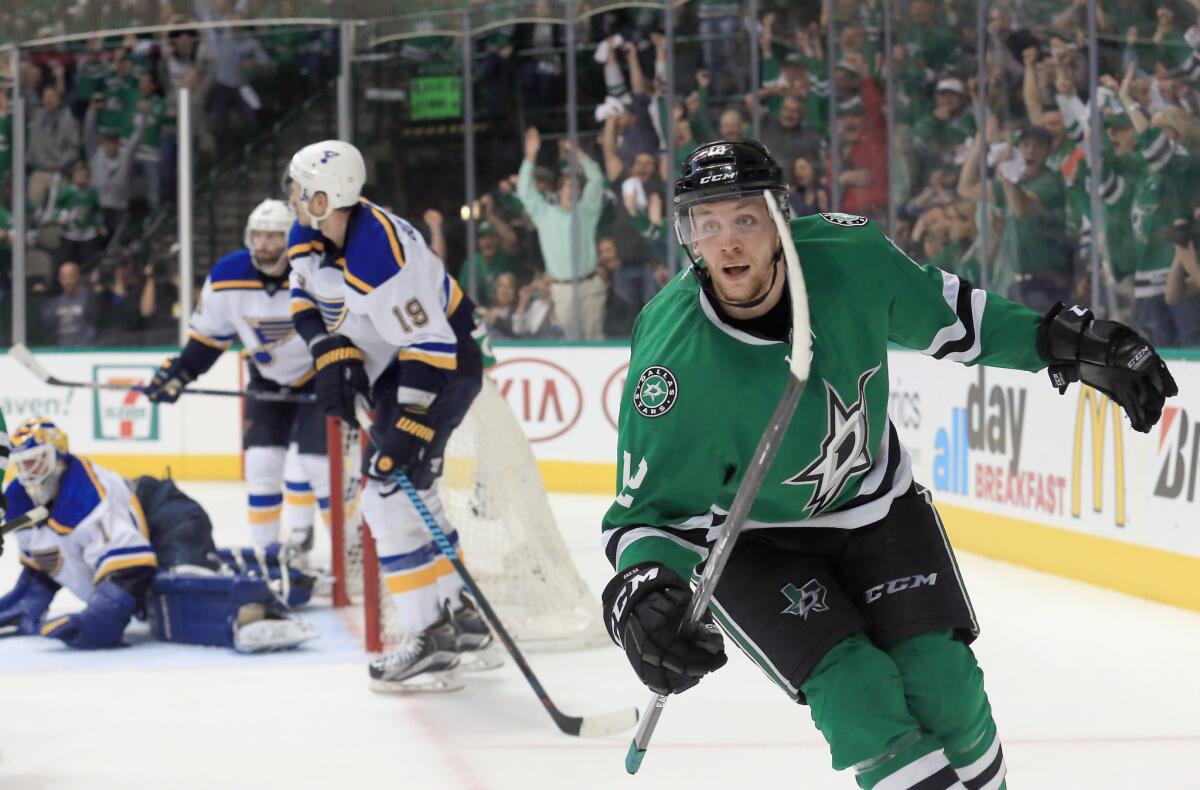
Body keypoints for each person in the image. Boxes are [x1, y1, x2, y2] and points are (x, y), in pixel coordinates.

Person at [600, 140, 1177, 790]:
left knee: (946, 687)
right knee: (858, 695)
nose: (728, 242)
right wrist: (641, 592)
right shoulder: (671, 361)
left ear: (780, 221)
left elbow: (957, 321)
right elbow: (644, 517)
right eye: (708, 224)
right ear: (688, 236)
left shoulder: (851, 258)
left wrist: (1063, 343)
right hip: (751, 542)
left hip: (875, 506)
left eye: (745, 220)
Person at [284, 140, 498, 691]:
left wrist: (408, 424)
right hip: (396, 365)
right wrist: (327, 350)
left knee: (383, 491)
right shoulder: (307, 231)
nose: (291, 195)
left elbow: (431, 347)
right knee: (415, 493)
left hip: (442, 364)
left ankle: (430, 637)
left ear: (324, 197)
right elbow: (303, 300)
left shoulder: (380, 253)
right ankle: (462, 617)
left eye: (300, 188)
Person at [0, 418, 316, 652]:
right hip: (141, 525)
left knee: (172, 595)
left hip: (167, 516)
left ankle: (255, 615)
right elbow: (42, 571)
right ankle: (275, 569)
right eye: (22, 463)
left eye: (36, 459)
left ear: (58, 455)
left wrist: (96, 622)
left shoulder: (87, 496)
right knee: (160, 593)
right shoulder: (21, 499)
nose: (28, 471)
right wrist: (21, 605)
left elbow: (129, 572)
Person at [143, 199, 329, 558]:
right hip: (268, 380)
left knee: (319, 466)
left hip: (320, 378)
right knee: (260, 465)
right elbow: (209, 338)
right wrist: (181, 372)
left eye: (273, 237)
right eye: (258, 236)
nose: (263, 244)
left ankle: (350, 552)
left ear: (291, 239)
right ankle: (266, 556)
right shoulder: (228, 274)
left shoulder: (316, 270)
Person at [517, 127, 607, 340]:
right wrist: (530, 156)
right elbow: (525, 190)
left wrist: (577, 153)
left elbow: (596, 178)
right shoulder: (545, 213)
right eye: (568, 187)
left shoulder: (588, 210)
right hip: (562, 289)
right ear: (559, 191)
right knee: (571, 343)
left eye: (576, 187)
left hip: (590, 285)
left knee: (595, 340)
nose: (572, 191)